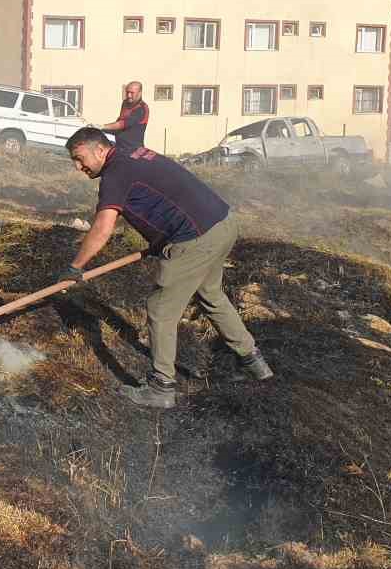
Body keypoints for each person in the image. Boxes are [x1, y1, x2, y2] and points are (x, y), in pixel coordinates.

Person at [59, 126, 272, 408]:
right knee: (211, 296)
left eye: (79, 157)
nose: (78, 166)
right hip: (222, 223)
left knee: (160, 310)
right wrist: (162, 238)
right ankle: (255, 364)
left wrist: (75, 266)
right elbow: (166, 193)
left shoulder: (115, 173)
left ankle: (161, 388)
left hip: (196, 238)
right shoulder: (131, 154)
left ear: (99, 149)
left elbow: (102, 228)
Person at [100, 81, 150, 150]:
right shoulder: (125, 103)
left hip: (132, 148)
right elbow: (120, 120)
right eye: (127, 92)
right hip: (119, 144)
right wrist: (99, 130)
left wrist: (102, 126)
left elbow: (122, 124)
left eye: (132, 93)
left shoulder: (142, 108)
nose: (129, 95)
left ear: (139, 93)